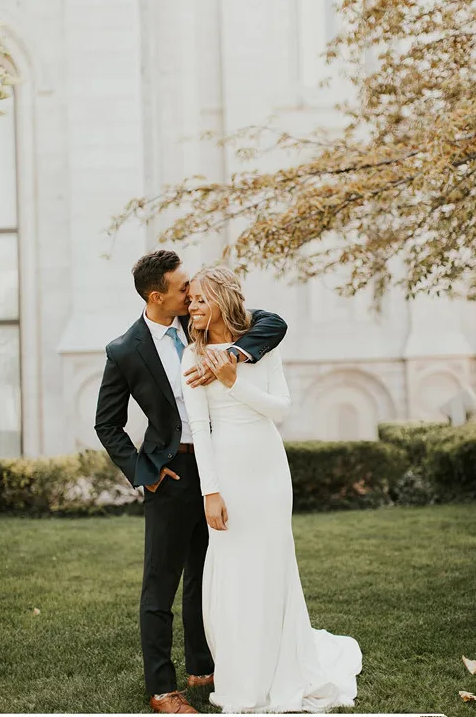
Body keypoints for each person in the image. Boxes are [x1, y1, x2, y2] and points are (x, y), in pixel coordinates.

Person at [94, 250, 287, 714]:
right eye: (182, 288)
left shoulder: (199, 320)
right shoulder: (125, 349)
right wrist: (147, 473)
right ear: (156, 295)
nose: (191, 293)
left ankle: (204, 667)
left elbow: (273, 322)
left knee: (209, 573)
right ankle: (163, 689)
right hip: (173, 472)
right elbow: (107, 424)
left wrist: (235, 354)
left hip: (223, 467)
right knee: (161, 583)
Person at [181, 266, 362, 714]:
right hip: (227, 472)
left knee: (271, 569)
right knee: (232, 574)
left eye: (202, 299)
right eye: (191, 301)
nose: (194, 307)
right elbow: (200, 430)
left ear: (223, 299)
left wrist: (233, 380)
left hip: (268, 470)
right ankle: (242, 678)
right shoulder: (192, 357)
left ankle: (284, 667)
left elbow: (279, 409)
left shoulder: (260, 349)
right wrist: (210, 491)